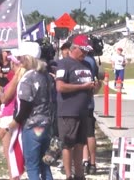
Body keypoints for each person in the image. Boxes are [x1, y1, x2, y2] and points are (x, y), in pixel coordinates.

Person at [55, 34, 102, 180]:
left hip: (84, 110)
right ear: (74, 48)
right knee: (68, 145)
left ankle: (80, 174)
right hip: (69, 112)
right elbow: (60, 86)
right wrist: (82, 86)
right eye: (83, 50)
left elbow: (91, 89)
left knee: (81, 144)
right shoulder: (64, 64)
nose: (85, 53)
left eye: (87, 51)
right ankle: (69, 175)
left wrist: (97, 86)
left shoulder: (87, 64)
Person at [5, 41, 53, 180]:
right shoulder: (46, 76)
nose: (19, 61)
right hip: (46, 124)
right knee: (45, 165)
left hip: (32, 126)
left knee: (32, 166)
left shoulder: (28, 78)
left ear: (27, 58)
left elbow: (25, 106)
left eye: (20, 58)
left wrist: (14, 123)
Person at [0, 51, 26, 180]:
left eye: (13, 61)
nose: (11, 63)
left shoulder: (17, 78)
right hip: (8, 116)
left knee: (10, 156)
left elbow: (5, 99)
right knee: (11, 155)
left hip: (9, 117)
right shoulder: (17, 77)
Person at [82, 50, 100, 175]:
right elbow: (96, 82)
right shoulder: (92, 61)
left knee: (83, 135)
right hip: (89, 102)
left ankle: (85, 161)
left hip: (81, 103)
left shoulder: (85, 61)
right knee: (89, 134)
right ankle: (92, 163)